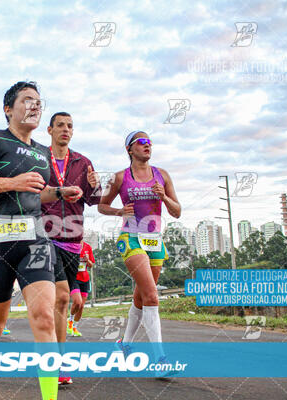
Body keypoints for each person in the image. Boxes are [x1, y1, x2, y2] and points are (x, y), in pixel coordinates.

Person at [0, 81, 82, 399]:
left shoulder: (43, 153)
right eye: (27, 100)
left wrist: (58, 192)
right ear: (8, 109)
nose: (35, 106)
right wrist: (11, 182)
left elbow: (36, 194)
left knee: (43, 315)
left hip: (35, 241)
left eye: (39, 102)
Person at [98, 130, 181, 374]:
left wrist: (164, 196)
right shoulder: (119, 177)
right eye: (141, 142)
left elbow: (177, 211)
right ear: (129, 149)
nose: (147, 146)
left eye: (149, 142)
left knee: (141, 297)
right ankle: (160, 361)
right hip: (131, 237)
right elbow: (102, 205)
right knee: (152, 297)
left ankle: (124, 344)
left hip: (155, 240)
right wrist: (119, 211)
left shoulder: (162, 175)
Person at [41, 111, 101, 385]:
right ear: (50, 129)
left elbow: (93, 200)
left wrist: (95, 186)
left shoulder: (82, 161)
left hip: (73, 241)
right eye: (61, 125)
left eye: (70, 126)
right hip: (44, 236)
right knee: (63, 297)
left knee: (63, 301)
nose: (66, 129)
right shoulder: (39, 158)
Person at [67, 240, 95, 337]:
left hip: (85, 279)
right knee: (77, 302)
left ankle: (75, 327)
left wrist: (87, 260)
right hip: (74, 278)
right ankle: (70, 321)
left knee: (81, 306)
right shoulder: (70, 246)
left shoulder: (87, 247)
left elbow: (91, 265)